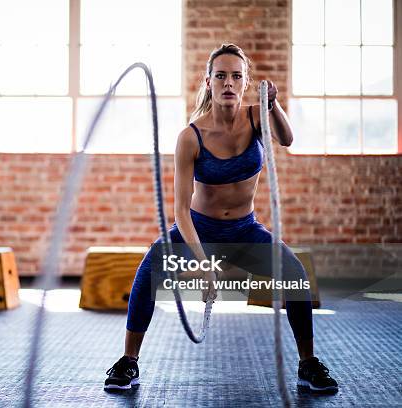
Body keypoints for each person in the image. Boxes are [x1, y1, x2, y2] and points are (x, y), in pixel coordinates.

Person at [104, 44, 338, 394]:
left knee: (294, 272)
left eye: (236, 76)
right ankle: (128, 362)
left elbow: (287, 139)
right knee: (149, 268)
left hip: (244, 231)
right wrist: (203, 264)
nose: (229, 83)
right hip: (198, 230)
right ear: (209, 81)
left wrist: (271, 104)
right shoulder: (190, 137)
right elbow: (181, 211)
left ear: (245, 83)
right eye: (221, 75)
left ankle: (308, 364)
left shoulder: (258, 117)